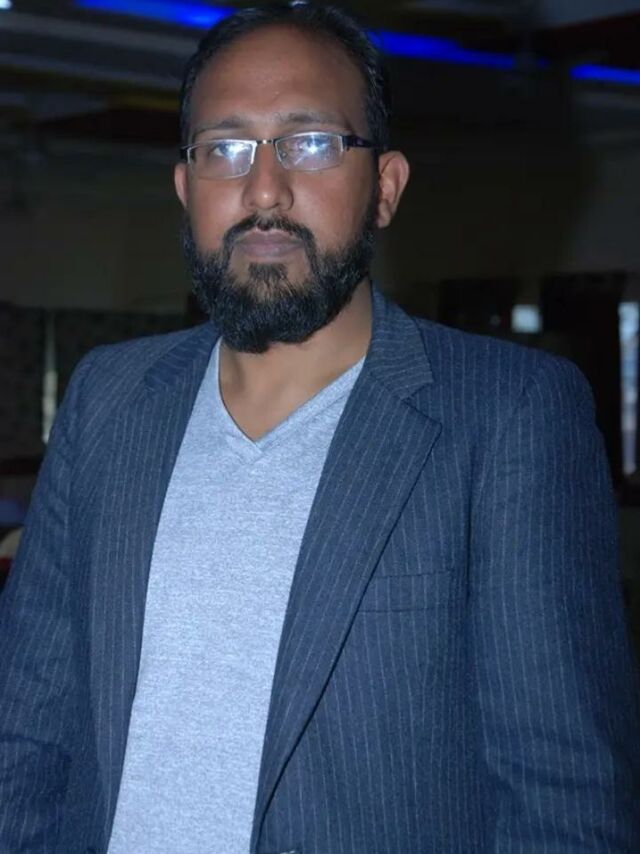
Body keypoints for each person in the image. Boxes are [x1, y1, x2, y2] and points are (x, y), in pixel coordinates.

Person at [1, 3, 638, 852]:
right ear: (187, 188)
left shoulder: (509, 415)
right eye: (225, 148)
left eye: (310, 143)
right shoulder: (106, 398)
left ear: (385, 187)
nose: (264, 190)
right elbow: (27, 729)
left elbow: (566, 802)